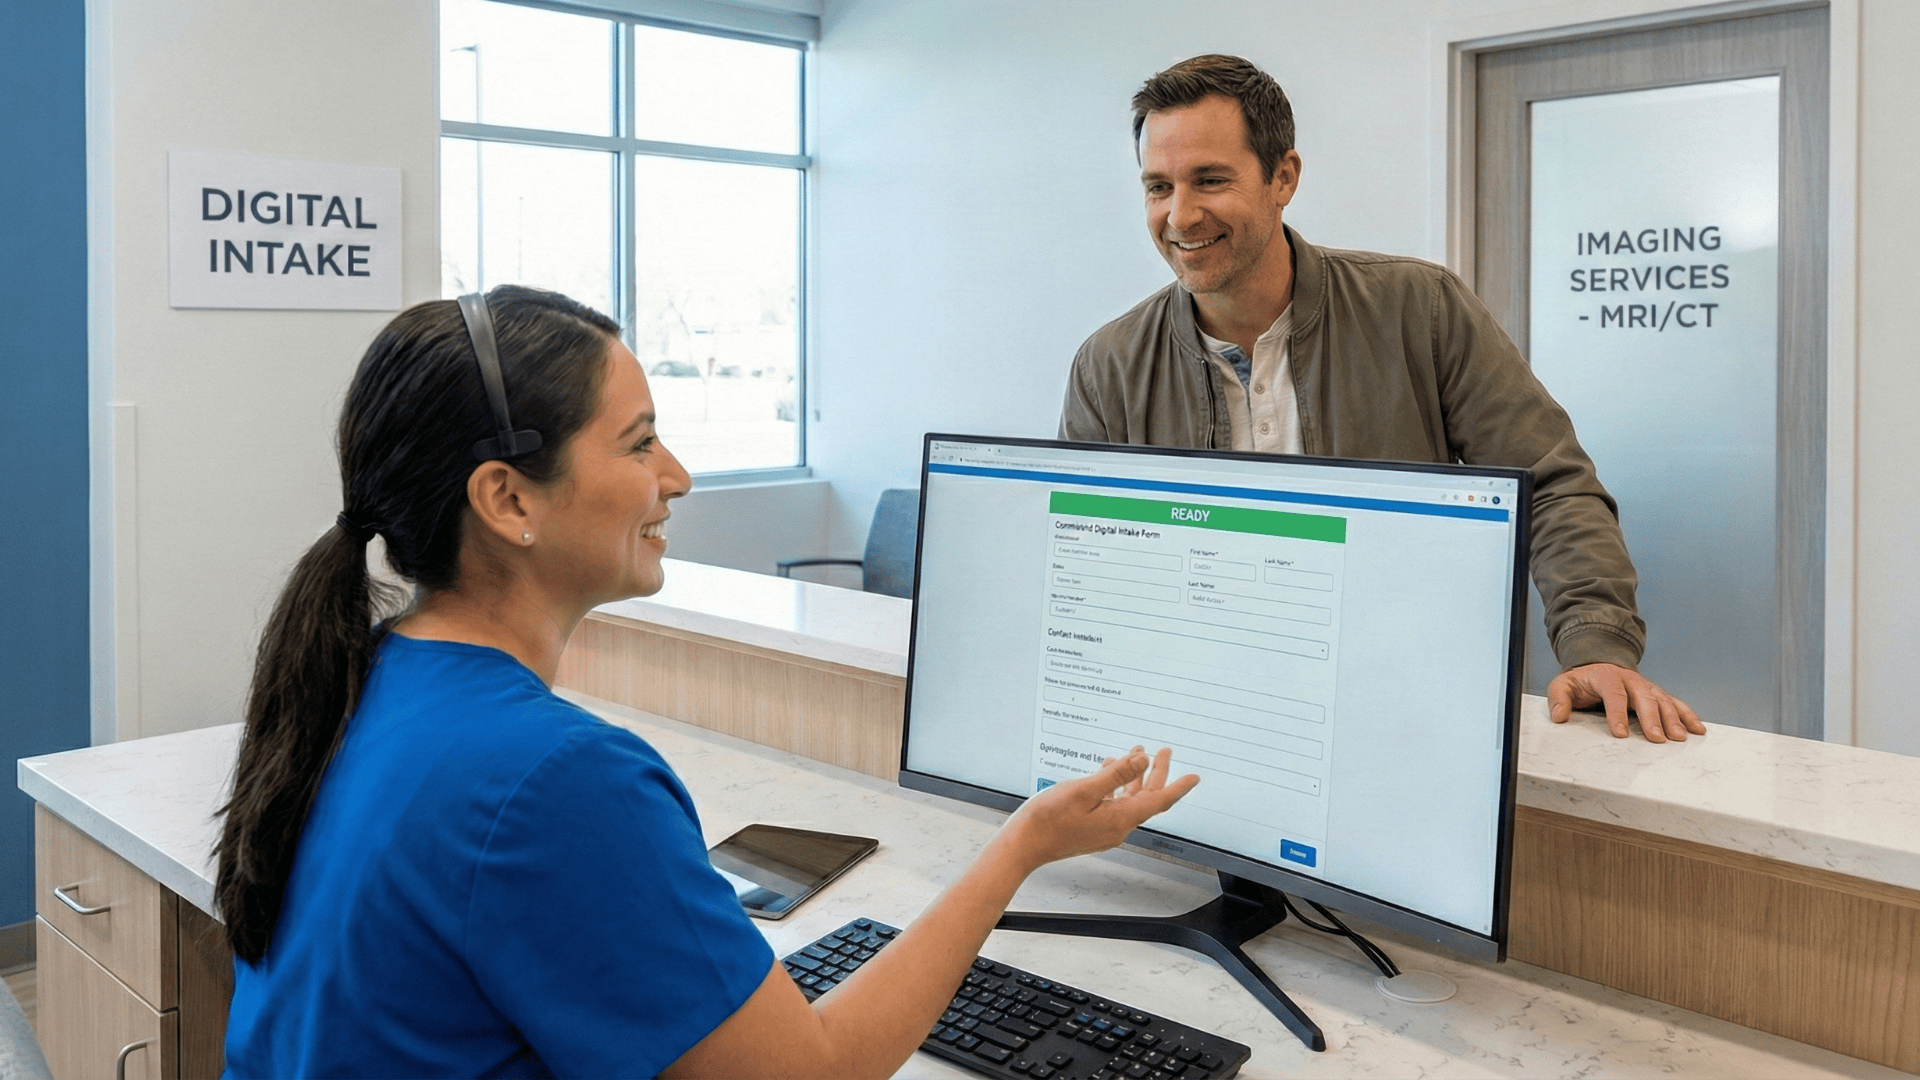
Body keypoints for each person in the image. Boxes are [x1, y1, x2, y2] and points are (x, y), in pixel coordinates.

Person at [214, 285, 1199, 1078]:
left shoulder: (367, 683)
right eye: (640, 442)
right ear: (508, 498)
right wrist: (1019, 846)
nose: (677, 477)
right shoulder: (557, 778)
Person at [1060, 54, 1704, 744]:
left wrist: (1595, 644)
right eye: (1158, 187)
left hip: (1404, 712)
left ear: (1284, 178)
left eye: (1210, 180)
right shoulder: (1109, 366)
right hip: (1206, 725)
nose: (1179, 215)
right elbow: (1081, 567)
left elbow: (1550, 487)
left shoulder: (1418, 310)